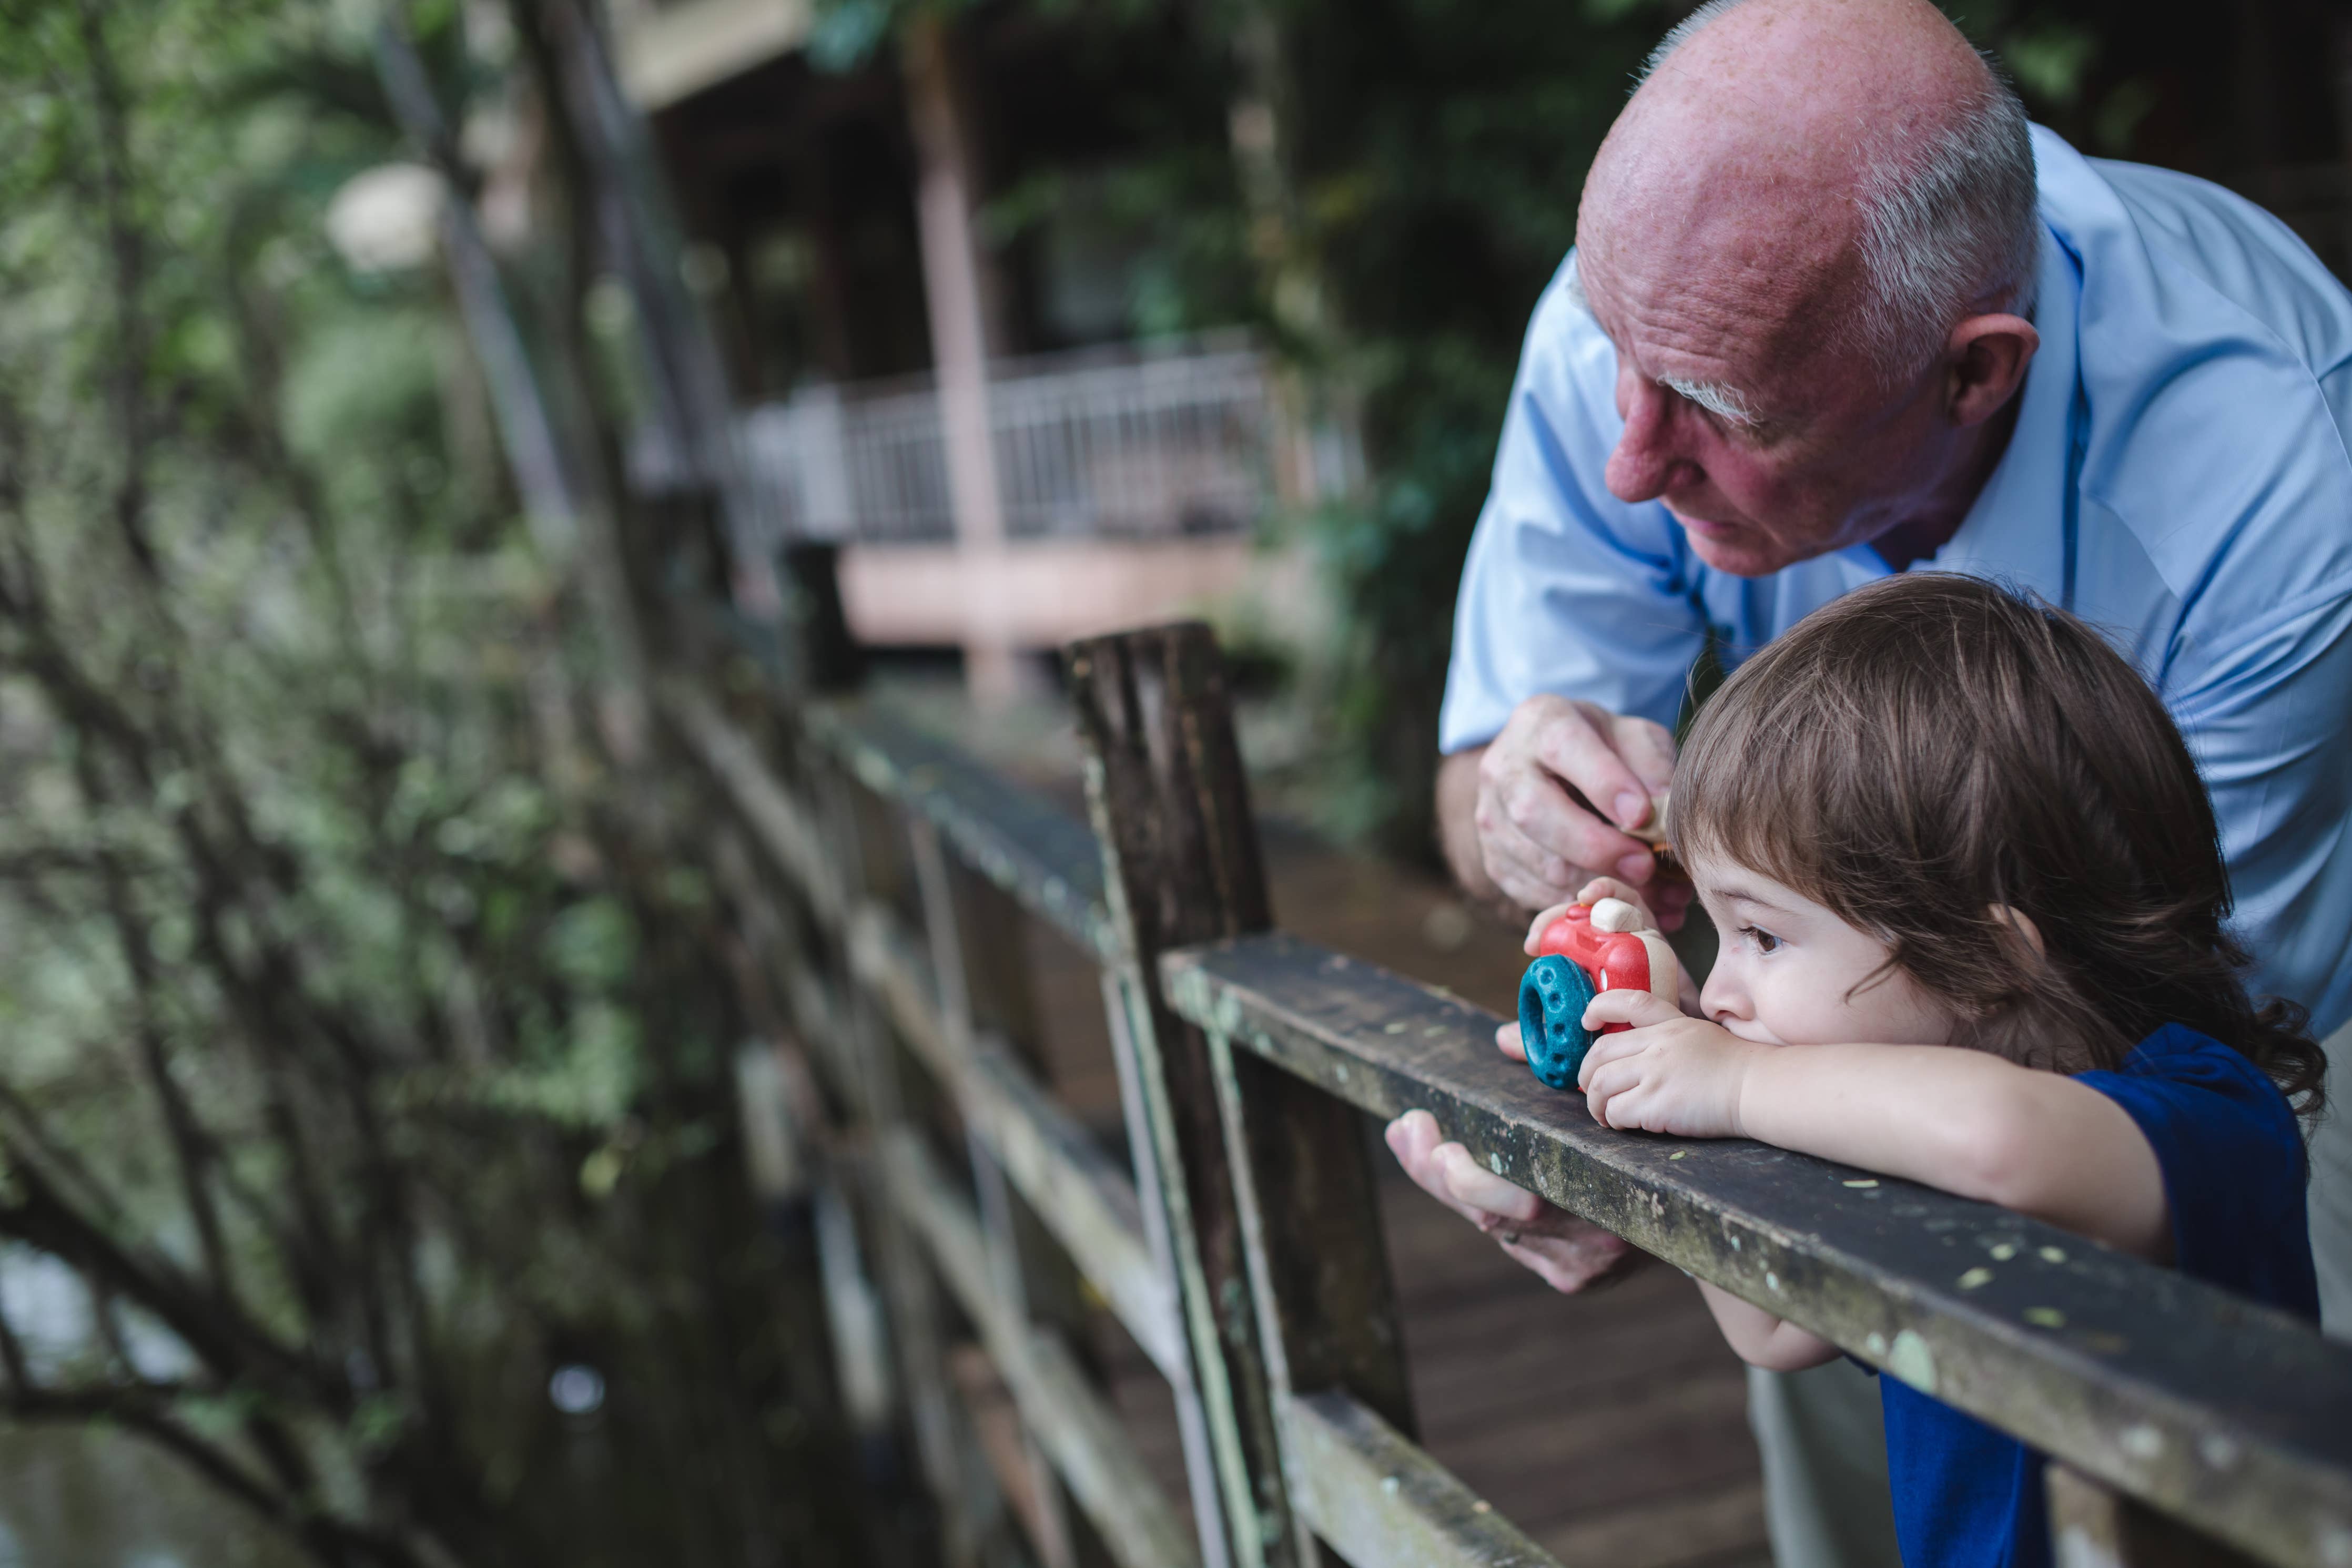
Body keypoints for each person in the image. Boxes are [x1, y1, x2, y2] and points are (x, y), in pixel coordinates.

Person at [1388, 0, 2352, 1562]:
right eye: (1615, 362)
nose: (1630, 458)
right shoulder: (1653, 314)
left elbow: (2139, 1055)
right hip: (1877, 1025)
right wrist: (1618, 1092)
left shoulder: (2275, 469)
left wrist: (1737, 1079)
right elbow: (1476, 791)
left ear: (1973, 376)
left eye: (1727, 412)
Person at [1528, 575, 2325, 1567]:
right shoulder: (1897, 1117)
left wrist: (1728, 1081)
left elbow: (2005, 1140)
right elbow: (1774, 1329)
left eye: (1764, 936)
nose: (1721, 990)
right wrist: (1652, 1042)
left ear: (1989, 962)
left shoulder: (2206, 1111)